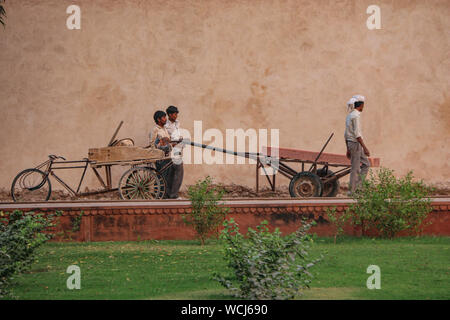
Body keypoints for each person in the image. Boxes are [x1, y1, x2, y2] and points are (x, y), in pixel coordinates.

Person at [344, 95, 371, 195]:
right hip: (355, 144)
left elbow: (346, 134)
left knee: (366, 164)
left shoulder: (350, 115)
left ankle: (358, 187)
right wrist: (365, 148)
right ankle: (352, 191)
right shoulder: (356, 116)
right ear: (361, 105)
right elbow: (357, 134)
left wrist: (347, 148)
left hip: (351, 143)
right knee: (355, 168)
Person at [149, 110, 173, 198]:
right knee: (161, 176)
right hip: (159, 157)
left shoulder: (164, 129)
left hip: (166, 156)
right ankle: (159, 195)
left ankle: (165, 195)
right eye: (163, 117)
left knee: (167, 176)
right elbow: (153, 145)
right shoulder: (155, 130)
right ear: (158, 119)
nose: (165, 119)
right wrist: (164, 147)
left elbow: (168, 142)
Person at [164, 105, 184, 199]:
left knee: (172, 172)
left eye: (177, 114)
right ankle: (174, 194)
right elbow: (166, 139)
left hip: (178, 149)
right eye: (174, 114)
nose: (176, 116)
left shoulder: (177, 123)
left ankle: (169, 194)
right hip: (172, 150)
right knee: (179, 171)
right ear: (169, 115)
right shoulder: (166, 126)